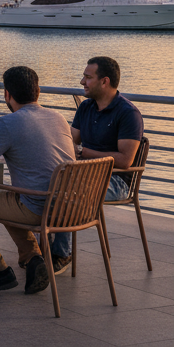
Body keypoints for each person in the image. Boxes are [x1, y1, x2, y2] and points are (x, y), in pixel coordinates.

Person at [0, 65, 75, 297]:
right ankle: (33, 259)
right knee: (5, 198)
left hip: (39, 207)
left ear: (7, 94)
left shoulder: (8, 123)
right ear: (37, 91)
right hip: (71, 208)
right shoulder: (58, 118)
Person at [50, 56, 144, 267]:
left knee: (66, 191)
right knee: (43, 183)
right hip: (83, 173)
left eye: (87, 77)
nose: (82, 82)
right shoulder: (86, 108)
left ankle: (61, 254)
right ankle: (40, 252)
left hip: (116, 180)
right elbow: (70, 143)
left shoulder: (128, 114)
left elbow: (125, 160)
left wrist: (83, 151)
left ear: (105, 81)